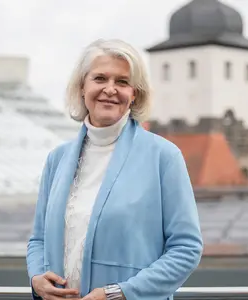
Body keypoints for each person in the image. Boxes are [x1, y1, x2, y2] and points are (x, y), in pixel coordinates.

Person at [26, 38, 203, 300]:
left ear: (134, 94)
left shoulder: (164, 157)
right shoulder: (57, 159)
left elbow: (186, 249)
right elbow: (38, 240)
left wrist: (119, 293)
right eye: (100, 79)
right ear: (82, 87)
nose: (110, 89)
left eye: (122, 82)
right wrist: (37, 278)